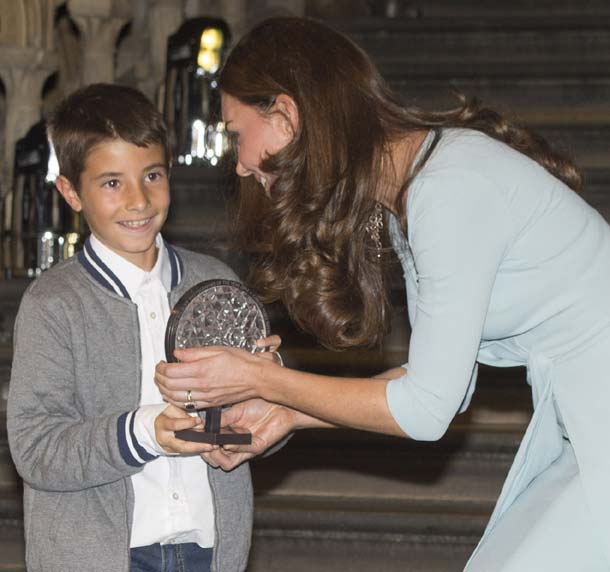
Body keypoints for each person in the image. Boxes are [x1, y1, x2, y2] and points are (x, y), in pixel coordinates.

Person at [154, 16, 610, 572]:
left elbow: (426, 412)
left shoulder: (446, 189)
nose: (241, 164)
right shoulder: (414, 189)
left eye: (236, 133)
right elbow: (443, 387)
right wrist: (287, 411)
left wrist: (261, 377)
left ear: (286, 114)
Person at [6, 83, 270, 572]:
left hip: (208, 550)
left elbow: (257, 423)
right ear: (71, 192)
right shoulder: (54, 305)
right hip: (100, 555)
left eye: (152, 175)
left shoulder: (216, 285)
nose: (139, 200)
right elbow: (35, 447)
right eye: (112, 183)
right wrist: (144, 430)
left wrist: (267, 386)